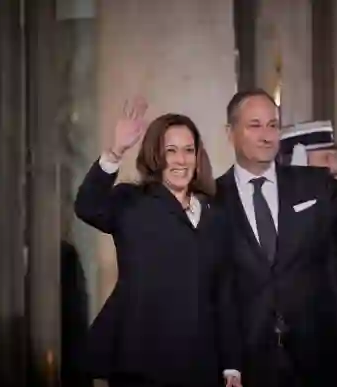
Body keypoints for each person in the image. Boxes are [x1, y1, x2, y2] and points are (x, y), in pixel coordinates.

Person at [215, 90, 337, 387]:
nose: (267, 135)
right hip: (252, 365)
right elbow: (212, 290)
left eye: (273, 125)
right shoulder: (210, 200)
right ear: (230, 133)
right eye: (254, 125)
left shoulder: (314, 185)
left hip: (323, 359)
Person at [74, 98, 242, 387]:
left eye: (189, 151)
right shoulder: (131, 202)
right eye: (171, 151)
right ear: (156, 155)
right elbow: (87, 206)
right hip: (141, 362)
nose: (181, 160)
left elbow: (224, 293)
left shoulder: (216, 216)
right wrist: (116, 151)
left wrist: (231, 367)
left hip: (201, 364)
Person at [277, 120, 337, 386]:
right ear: (299, 159)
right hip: (296, 358)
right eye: (327, 156)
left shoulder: (329, 199)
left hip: (332, 346)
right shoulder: (271, 210)